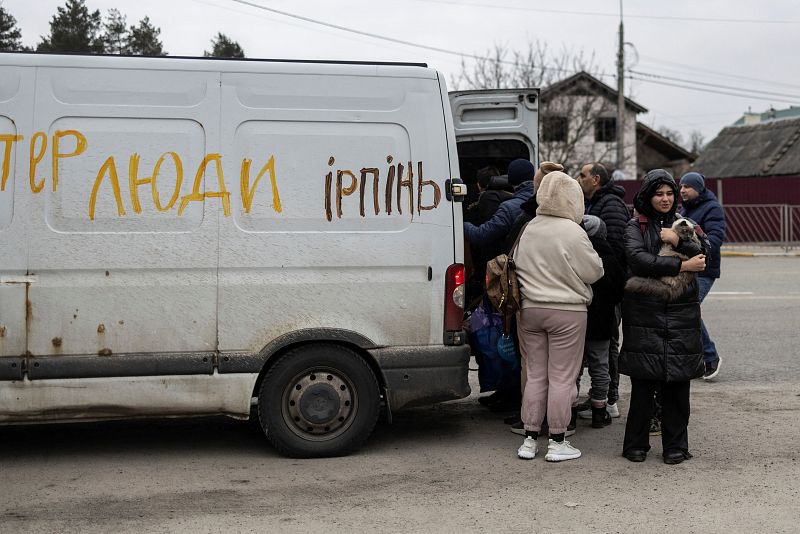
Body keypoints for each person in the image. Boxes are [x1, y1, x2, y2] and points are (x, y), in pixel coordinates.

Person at [513, 170, 604, 461]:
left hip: (529, 309)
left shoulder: (529, 228)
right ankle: (557, 441)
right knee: (563, 378)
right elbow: (594, 271)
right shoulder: (573, 231)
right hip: (567, 312)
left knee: (535, 375)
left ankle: (528, 440)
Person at [619, 169, 707, 465]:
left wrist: (678, 240)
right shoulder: (635, 226)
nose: (666, 199)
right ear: (648, 195)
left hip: (681, 313)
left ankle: (675, 447)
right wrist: (682, 266)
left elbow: (704, 257)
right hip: (644, 313)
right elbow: (637, 259)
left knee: (678, 385)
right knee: (644, 384)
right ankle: (635, 445)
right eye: (659, 194)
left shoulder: (685, 224)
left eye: (670, 193)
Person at [466, 159, 534, 413]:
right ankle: (512, 395)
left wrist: (458, 223)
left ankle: (514, 399)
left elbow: (483, 234)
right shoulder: (544, 204)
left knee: (512, 341)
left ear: (512, 180)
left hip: (511, 284)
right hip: (535, 286)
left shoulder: (509, 207)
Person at [575, 162, 629, 419]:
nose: (579, 178)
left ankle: (609, 400)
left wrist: (598, 272)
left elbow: (616, 247)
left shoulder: (611, 205)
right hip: (597, 289)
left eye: (583, 175)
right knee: (600, 351)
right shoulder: (597, 202)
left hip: (604, 292)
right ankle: (600, 400)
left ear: (596, 179)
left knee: (607, 349)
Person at [576, 215, 625, 429]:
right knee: (600, 366)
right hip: (602, 321)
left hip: (576, 318)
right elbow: (618, 290)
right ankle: (599, 411)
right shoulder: (610, 256)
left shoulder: (577, 253)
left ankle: (568, 410)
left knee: (573, 368)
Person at [679, 171, 726, 380]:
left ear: (698, 188)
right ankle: (695, 359)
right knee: (682, 310)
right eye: (680, 187)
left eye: (686, 187)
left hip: (705, 270)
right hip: (689, 267)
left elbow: (715, 238)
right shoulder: (685, 209)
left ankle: (710, 357)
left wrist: (694, 249)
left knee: (688, 310)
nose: (682, 190)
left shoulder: (712, 207)